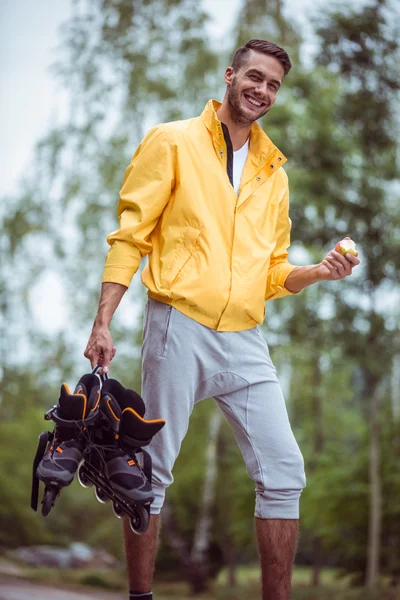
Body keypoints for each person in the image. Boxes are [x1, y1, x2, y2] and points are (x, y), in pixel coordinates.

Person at [84, 39, 360, 600]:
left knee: (284, 471)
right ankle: (141, 596)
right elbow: (131, 235)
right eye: (253, 77)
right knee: (149, 473)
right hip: (177, 326)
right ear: (230, 75)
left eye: (273, 84)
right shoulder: (174, 141)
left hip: (245, 339)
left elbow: (271, 273)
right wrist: (103, 321)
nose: (261, 90)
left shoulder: (273, 174)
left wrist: (318, 272)